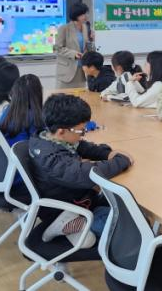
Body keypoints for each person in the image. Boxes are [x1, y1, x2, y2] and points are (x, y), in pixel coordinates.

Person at [28, 94, 133, 247]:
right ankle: (65, 225)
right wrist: (121, 161)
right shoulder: (50, 158)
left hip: (79, 198)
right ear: (62, 131)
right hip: (66, 208)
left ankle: (76, 226)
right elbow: (84, 174)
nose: (83, 134)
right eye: (81, 131)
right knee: (127, 228)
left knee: (127, 210)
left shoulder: (50, 137)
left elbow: (81, 146)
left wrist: (107, 154)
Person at [0, 74, 43, 147]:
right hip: (24, 153)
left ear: (15, 93)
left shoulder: (7, 110)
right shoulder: (36, 117)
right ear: (38, 93)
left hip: (6, 152)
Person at [54, 2, 93, 88]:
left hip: (82, 70)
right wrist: (74, 54)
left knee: (80, 95)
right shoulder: (64, 28)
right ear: (76, 15)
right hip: (67, 72)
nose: (86, 16)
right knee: (64, 96)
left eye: (86, 13)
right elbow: (57, 48)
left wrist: (91, 40)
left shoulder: (86, 28)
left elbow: (87, 48)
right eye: (83, 14)